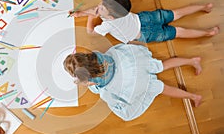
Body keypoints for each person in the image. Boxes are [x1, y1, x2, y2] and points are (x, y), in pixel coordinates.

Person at [63, 44, 202, 121]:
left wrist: (81, 82)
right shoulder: (96, 54)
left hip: (130, 81)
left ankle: (193, 97)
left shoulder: (93, 81)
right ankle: (192, 61)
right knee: (161, 65)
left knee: (161, 88)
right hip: (131, 63)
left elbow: (96, 87)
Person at [70, 0, 219, 43]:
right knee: (176, 13)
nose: (98, 6)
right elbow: (98, 9)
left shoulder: (108, 25)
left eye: (101, 7)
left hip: (144, 35)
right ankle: (204, 7)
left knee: (178, 31)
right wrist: (81, 13)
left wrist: (90, 17)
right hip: (145, 19)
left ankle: (208, 33)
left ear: (110, 17)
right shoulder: (115, 10)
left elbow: (91, 33)